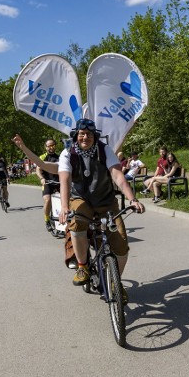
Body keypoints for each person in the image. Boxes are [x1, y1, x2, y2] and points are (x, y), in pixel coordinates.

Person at [57, 118, 145, 287]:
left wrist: (133, 199)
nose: (85, 137)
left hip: (106, 201)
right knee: (77, 223)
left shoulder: (104, 150)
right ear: (76, 136)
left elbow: (118, 176)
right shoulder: (68, 153)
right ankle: (82, 266)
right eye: (82, 134)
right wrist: (65, 207)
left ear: (95, 136)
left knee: (121, 246)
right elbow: (65, 180)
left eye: (89, 134)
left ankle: (115, 284)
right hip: (80, 198)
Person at [38, 139, 61, 232]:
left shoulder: (60, 157)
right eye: (49, 146)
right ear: (45, 147)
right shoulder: (43, 157)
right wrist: (41, 178)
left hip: (58, 182)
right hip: (47, 182)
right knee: (47, 200)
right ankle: (47, 219)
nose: (51, 147)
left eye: (53, 145)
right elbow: (38, 169)